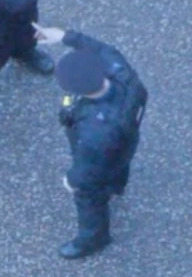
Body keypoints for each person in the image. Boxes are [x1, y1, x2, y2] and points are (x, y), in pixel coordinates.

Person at [32, 22, 148, 259]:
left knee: (89, 197)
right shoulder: (124, 75)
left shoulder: (94, 131)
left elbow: (87, 169)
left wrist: (72, 180)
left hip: (100, 155)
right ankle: (117, 186)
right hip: (126, 141)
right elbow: (102, 49)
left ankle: (94, 238)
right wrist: (65, 36)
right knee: (118, 166)